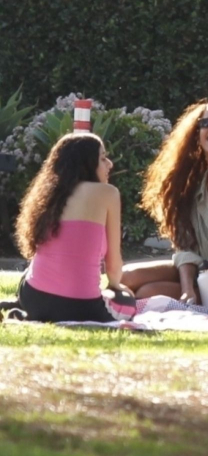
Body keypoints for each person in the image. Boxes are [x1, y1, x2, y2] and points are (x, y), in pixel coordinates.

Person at [121, 100, 208, 302]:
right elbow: (185, 247)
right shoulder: (188, 187)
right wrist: (188, 290)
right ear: (197, 133)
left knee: (146, 294)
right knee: (127, 277)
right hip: (203, 278)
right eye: (206, 123)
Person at [15, 133, 135, 322]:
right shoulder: (108, 193)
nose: (110, 164)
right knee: (127, 301)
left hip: (33, 300)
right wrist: (116, 287)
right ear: (86, 163)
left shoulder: (48, 194)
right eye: (103, 158)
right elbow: (113, 267)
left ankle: (16, 304)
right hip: (81, 307)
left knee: (29, 273)